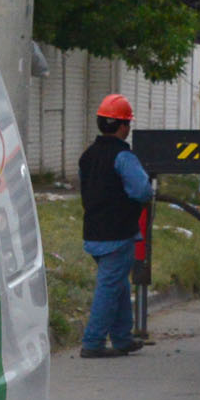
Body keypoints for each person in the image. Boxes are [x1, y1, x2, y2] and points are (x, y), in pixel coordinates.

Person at [77, 92, 153, 358]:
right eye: (128, 124)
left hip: (94, 233)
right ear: (123, 126)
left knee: (118, 283)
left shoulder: (87, 156)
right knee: (109, 288)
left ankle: (122, 338)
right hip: (118, 233)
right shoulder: (124, 157)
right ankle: (93, 342)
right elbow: (142, 191)